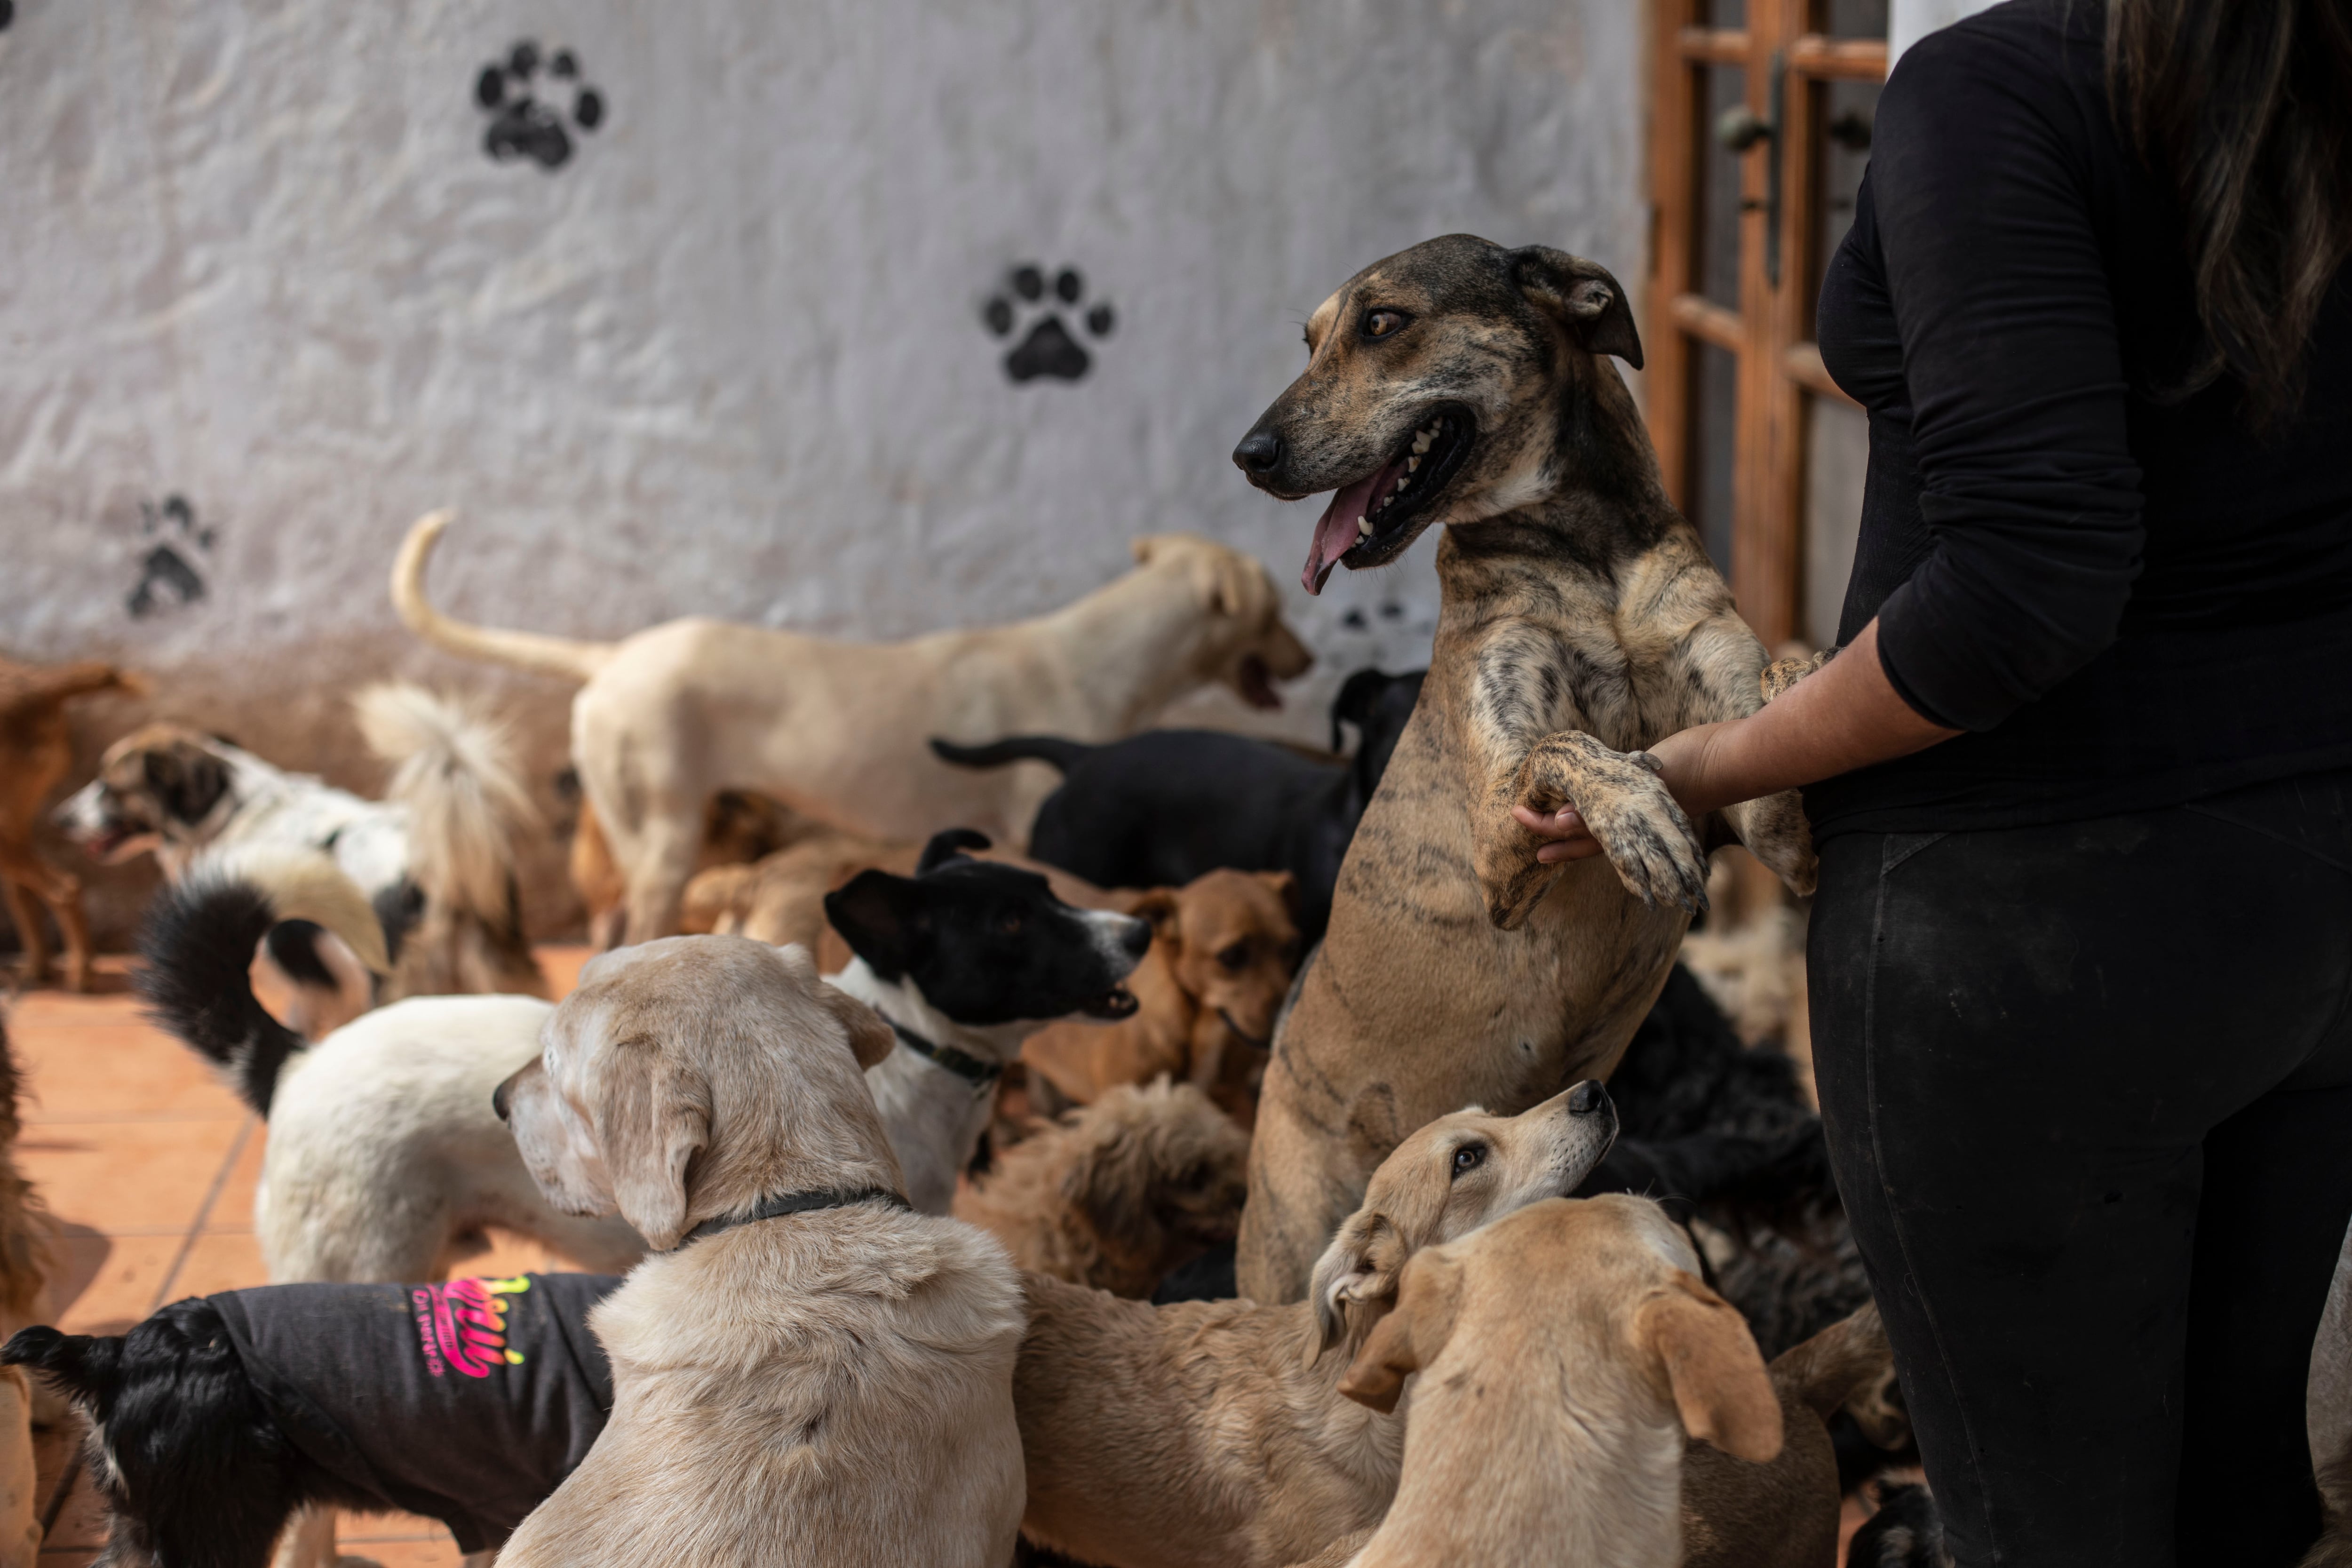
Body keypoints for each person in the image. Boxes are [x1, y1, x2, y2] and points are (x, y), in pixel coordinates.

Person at [1517, 0, 2352, 1562]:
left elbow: (2022, 594)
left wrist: (1701, 767)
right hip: (2315, 907)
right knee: (2239, 1506)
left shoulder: (1997, 91)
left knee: (2049, 1531)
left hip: (2031, 945)